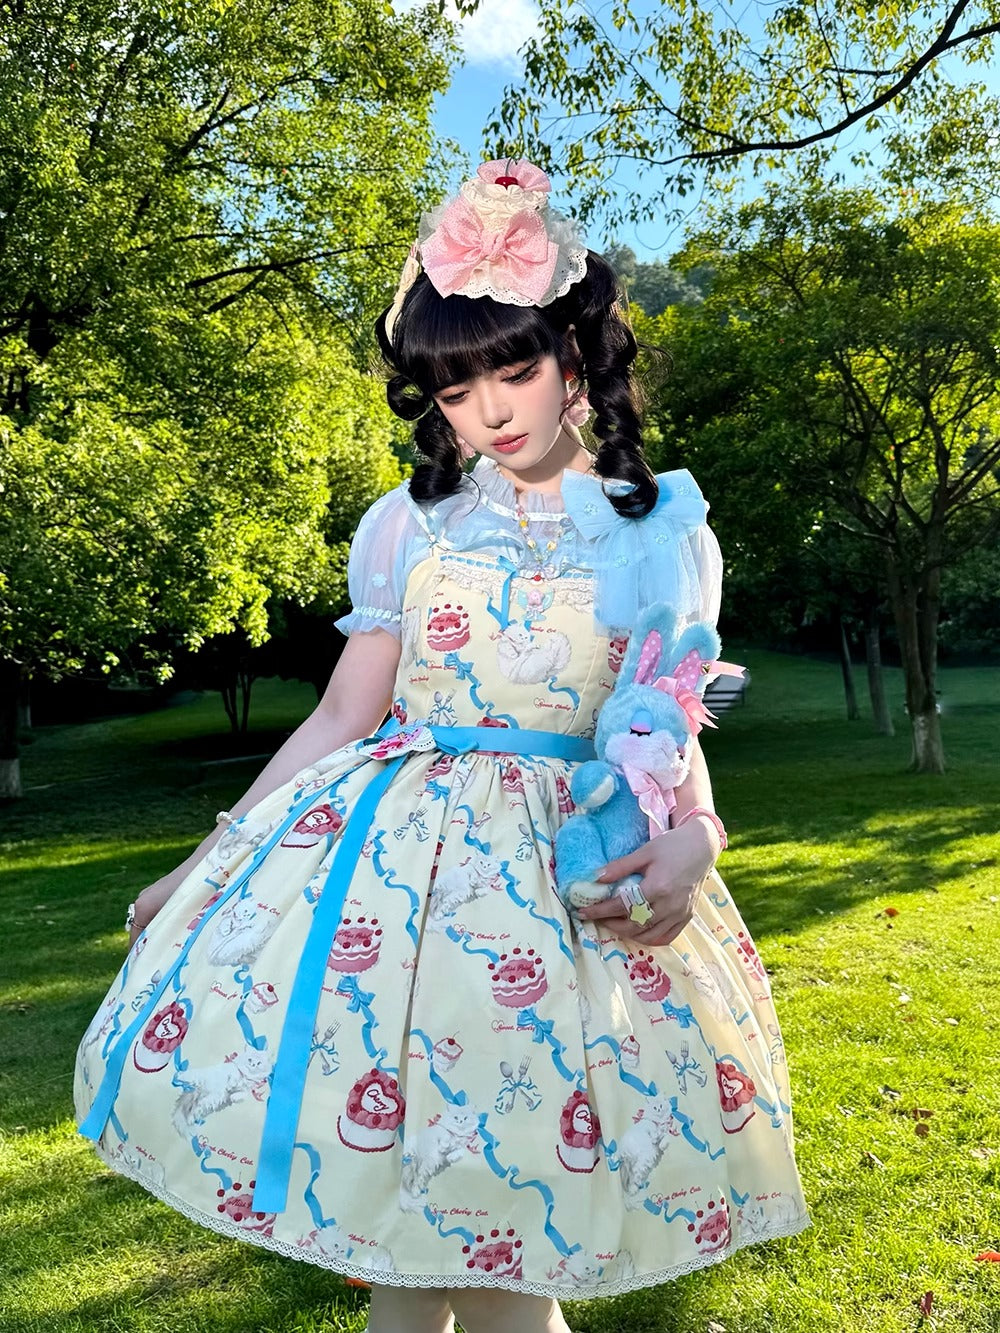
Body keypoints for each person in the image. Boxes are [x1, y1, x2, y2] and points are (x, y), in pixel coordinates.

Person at [74, 160, 809, 1333]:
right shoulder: (406, 525)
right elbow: (338, 718)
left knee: (514, 1250)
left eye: (515, 371)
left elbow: (661, 729)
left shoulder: (660, 531)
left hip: (564, 909)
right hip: (397, 916)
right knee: (409, 1260)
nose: (492, 411)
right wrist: (200, 869)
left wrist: (698, 840)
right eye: (458, 389)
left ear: (576, 358)